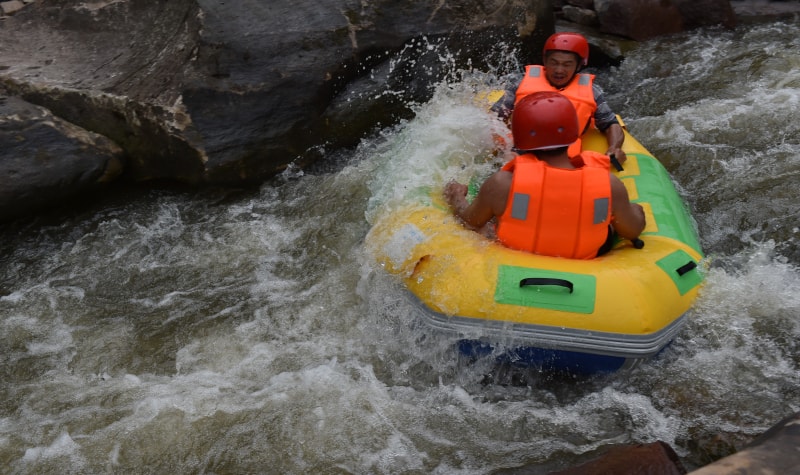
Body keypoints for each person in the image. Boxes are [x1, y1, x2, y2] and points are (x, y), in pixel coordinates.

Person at [445, 91, 645, 259]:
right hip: (586, 265)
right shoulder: (609, 184)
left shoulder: (502, 184)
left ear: (520, 136)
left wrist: (457, 197)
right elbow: (633, 230)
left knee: (484, 228)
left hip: (514, 257)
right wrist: (635, 210)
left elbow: (469, 220)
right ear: (574, 133)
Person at [492, 32, 627, 164]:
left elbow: (610, 124)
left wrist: (614, 148)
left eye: (567, 64)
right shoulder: (520, 83)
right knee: (509, 158)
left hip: (564, 155)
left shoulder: (592, 92)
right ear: (545, 61)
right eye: (554, 63)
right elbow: (494, 116)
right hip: (521, 149)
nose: (559, 70)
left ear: (579, 66)